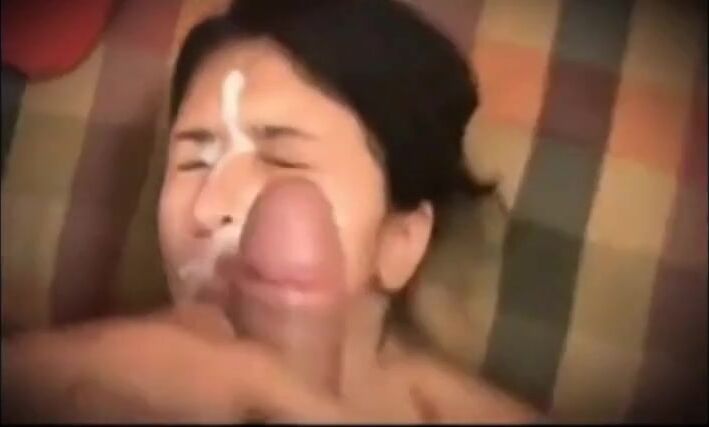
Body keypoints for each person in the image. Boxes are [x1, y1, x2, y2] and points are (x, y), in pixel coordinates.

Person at [1, 0, 540, 423]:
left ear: (399, 241)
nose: (209, 207)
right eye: (193, 162)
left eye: (284, 161)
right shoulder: (82, 386)